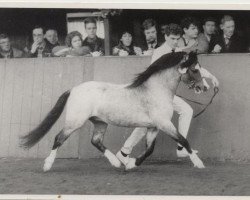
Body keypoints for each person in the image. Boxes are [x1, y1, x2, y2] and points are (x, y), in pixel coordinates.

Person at [116, 23, 220, 164]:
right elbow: (152, 75)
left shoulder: (178, 51)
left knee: (185, 110)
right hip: (154, 95)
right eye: (172, 38)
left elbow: (193, 67)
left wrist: (211, 77)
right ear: (165, 37)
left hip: (166, 95)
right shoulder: (159, 52)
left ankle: (180, 148)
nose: (175, 42)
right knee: (145, 124)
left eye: (177, 39)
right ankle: (124, 151)